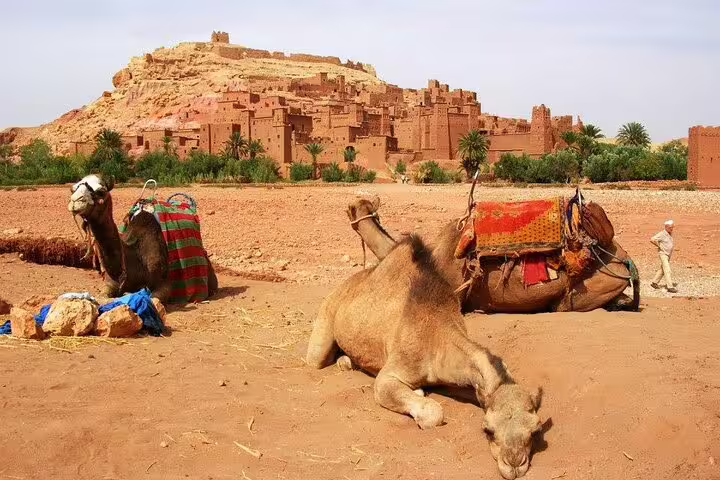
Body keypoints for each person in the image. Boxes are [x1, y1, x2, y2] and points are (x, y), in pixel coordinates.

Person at [650, 220, 676, 293]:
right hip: (663, 254)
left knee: (662, 269)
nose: (672, 229)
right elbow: (652, 239)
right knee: (667, 269)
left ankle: (654, 282)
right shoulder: (662, 234)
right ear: (666, 227)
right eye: (671, 227)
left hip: (668, 254)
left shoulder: (669, 233)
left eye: (672, 227)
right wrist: (658, 245)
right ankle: (670, 287)